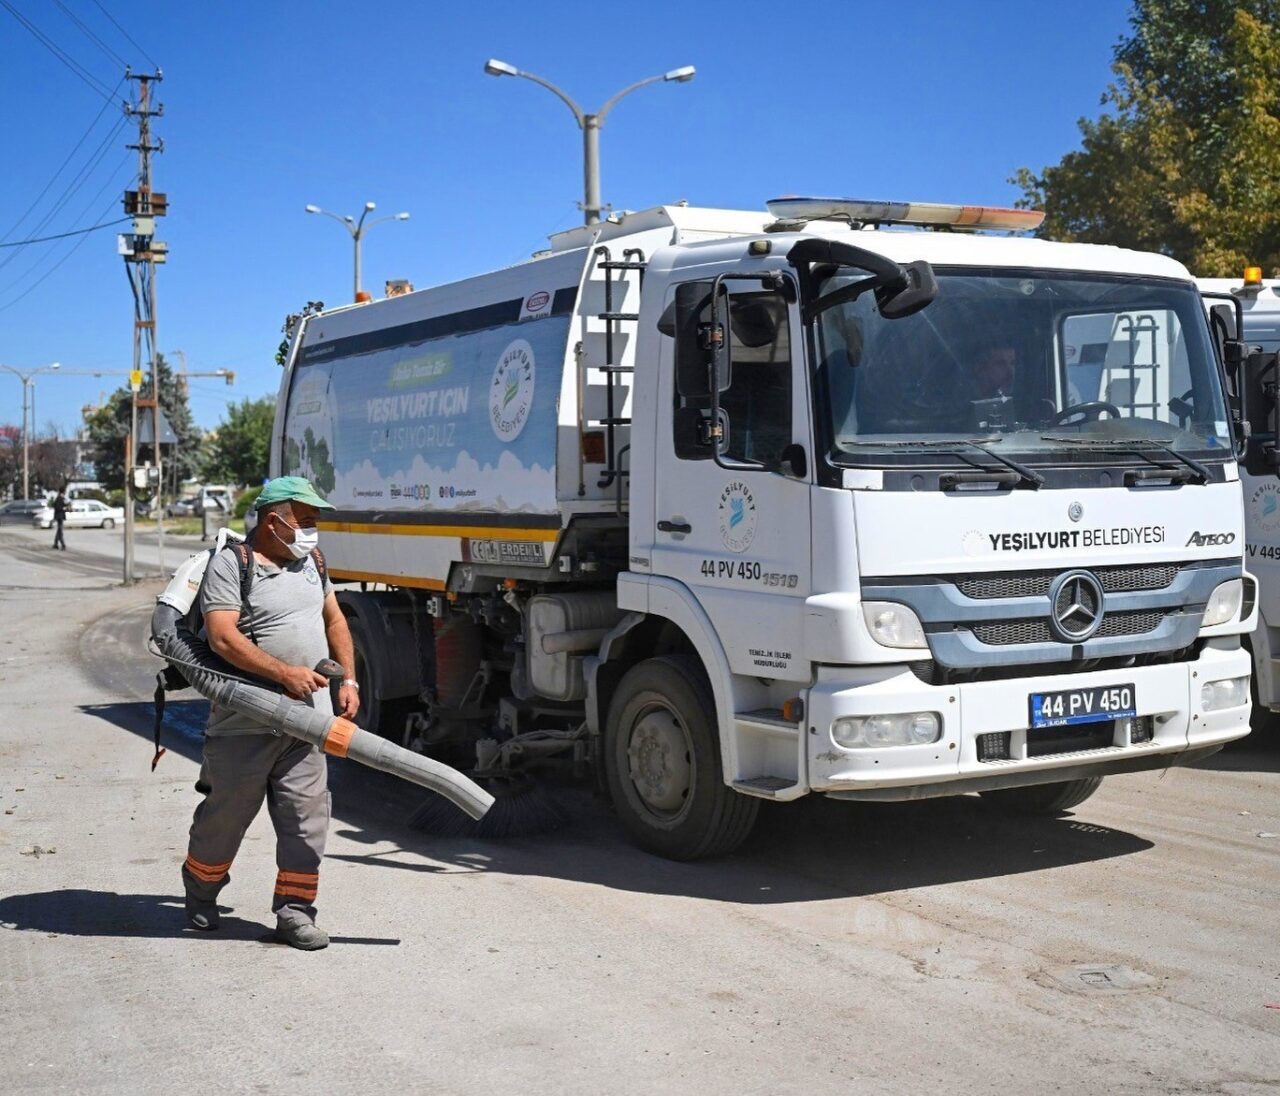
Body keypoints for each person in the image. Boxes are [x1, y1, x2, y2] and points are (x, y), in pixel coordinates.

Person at [181, 476, 358, 951]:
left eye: (315, 520)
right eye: (305, 520)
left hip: (308, 724)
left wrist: (351, 680)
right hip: (245, 724)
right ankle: (200, 892)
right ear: (273, 520)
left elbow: (335, 620)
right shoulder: (231, 565)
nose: (313, 529)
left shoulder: (312, 562)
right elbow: (221, 637)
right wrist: (284, 673)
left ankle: (295, 914)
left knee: (307, 821)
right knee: (224, 822)